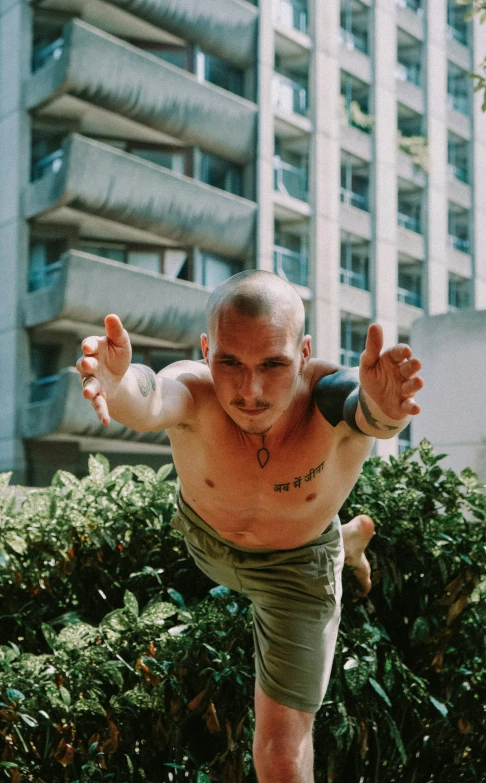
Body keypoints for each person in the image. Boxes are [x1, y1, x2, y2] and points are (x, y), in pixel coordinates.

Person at [77, 270, 423, 783]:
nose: (250, 391)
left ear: (304, 353)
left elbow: (366, 411)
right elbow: (150, 399)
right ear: (205, 349)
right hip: (207, 544)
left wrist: (389, 412)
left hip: (295, 572)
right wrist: (117, 383)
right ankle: (345, 540)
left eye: (274, 365)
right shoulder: (195, 390)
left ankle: (339, 545)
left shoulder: (330, 396)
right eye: (230, 362)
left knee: (281, 755)